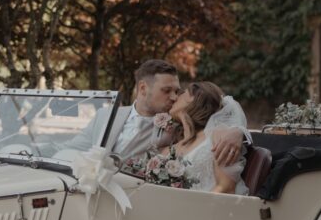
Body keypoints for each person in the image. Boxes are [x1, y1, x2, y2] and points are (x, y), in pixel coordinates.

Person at [68, 59, 251, 166]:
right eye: (166, 90)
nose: (173, 97)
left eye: (177, 91)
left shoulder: (178, 128)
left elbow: (223, 106)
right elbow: (71, 149)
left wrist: (237, 130)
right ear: (142, 89)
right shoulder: (106, 115)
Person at [161, 81, 249, 194]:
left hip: (209, 207)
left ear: (195, 99)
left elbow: (226, 188)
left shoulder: (218, 136)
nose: (175, 98)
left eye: (182, 93)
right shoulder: (169, 150)